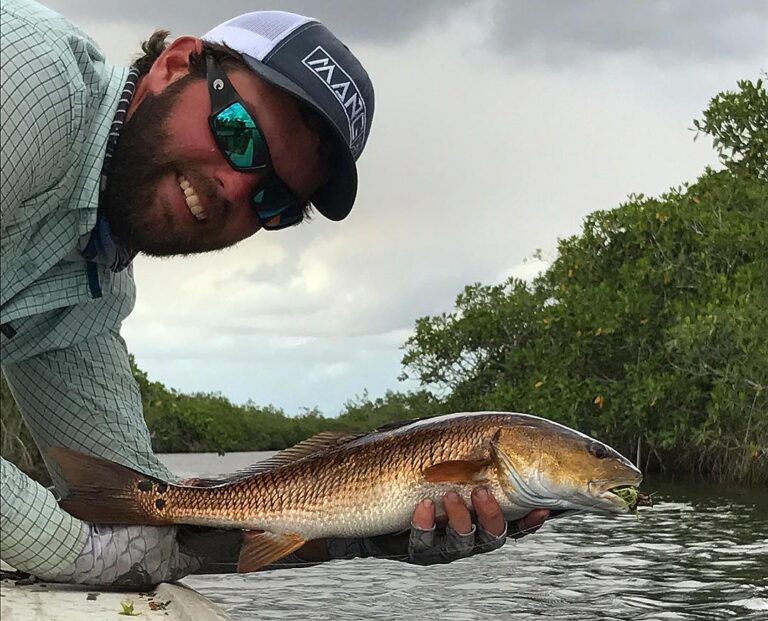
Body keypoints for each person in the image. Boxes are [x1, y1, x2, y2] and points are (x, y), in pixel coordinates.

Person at [0, 0, 549, 587]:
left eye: (275, 201)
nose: (235, 188)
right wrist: (75, 552)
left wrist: (357, 529)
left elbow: (143, 527)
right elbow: (99, 550)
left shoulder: (89, 287)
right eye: (239, 135)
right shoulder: (34, 80)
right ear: (176, 64)